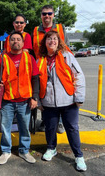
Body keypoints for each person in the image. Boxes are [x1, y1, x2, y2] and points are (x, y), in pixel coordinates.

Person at [38, 30, 87, 172]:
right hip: (48, 103)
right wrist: (39, 102)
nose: (52, 41)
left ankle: (79, 156)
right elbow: (36, 82)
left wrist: (79, 97)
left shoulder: (67, 56)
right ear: (45, 43)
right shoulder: (40, 60)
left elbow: (78, 76)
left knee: (72, 129)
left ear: (58, 42)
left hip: (69, 102)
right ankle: (51, 148)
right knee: (50, 128)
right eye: (49, 39)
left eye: (54, 39)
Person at [0, 31, 39, 165]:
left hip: (25, 100)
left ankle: (24, 151)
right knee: (5, 127)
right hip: (7, 101)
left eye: (18, 39)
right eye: (13, 40)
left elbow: (35, 78)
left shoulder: (30, 58)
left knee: (24, 128)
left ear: (23, 43)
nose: (15, 41)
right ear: (9, 42)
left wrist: (35, 97)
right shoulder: (2, 58)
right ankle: (6, 151)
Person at [32, 4, 71, 133]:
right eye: (44, 14)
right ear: (41, 15)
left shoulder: (60, 28)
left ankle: (59, 123)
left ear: (53, 15)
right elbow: (33, 50)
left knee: (58, 93)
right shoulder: (36, 30)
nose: (47, 16)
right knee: (45, 94)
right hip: (42, 67)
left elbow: (67, 46)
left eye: (49, 13)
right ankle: (45, 120)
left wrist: (69, 64)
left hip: (58, 65)